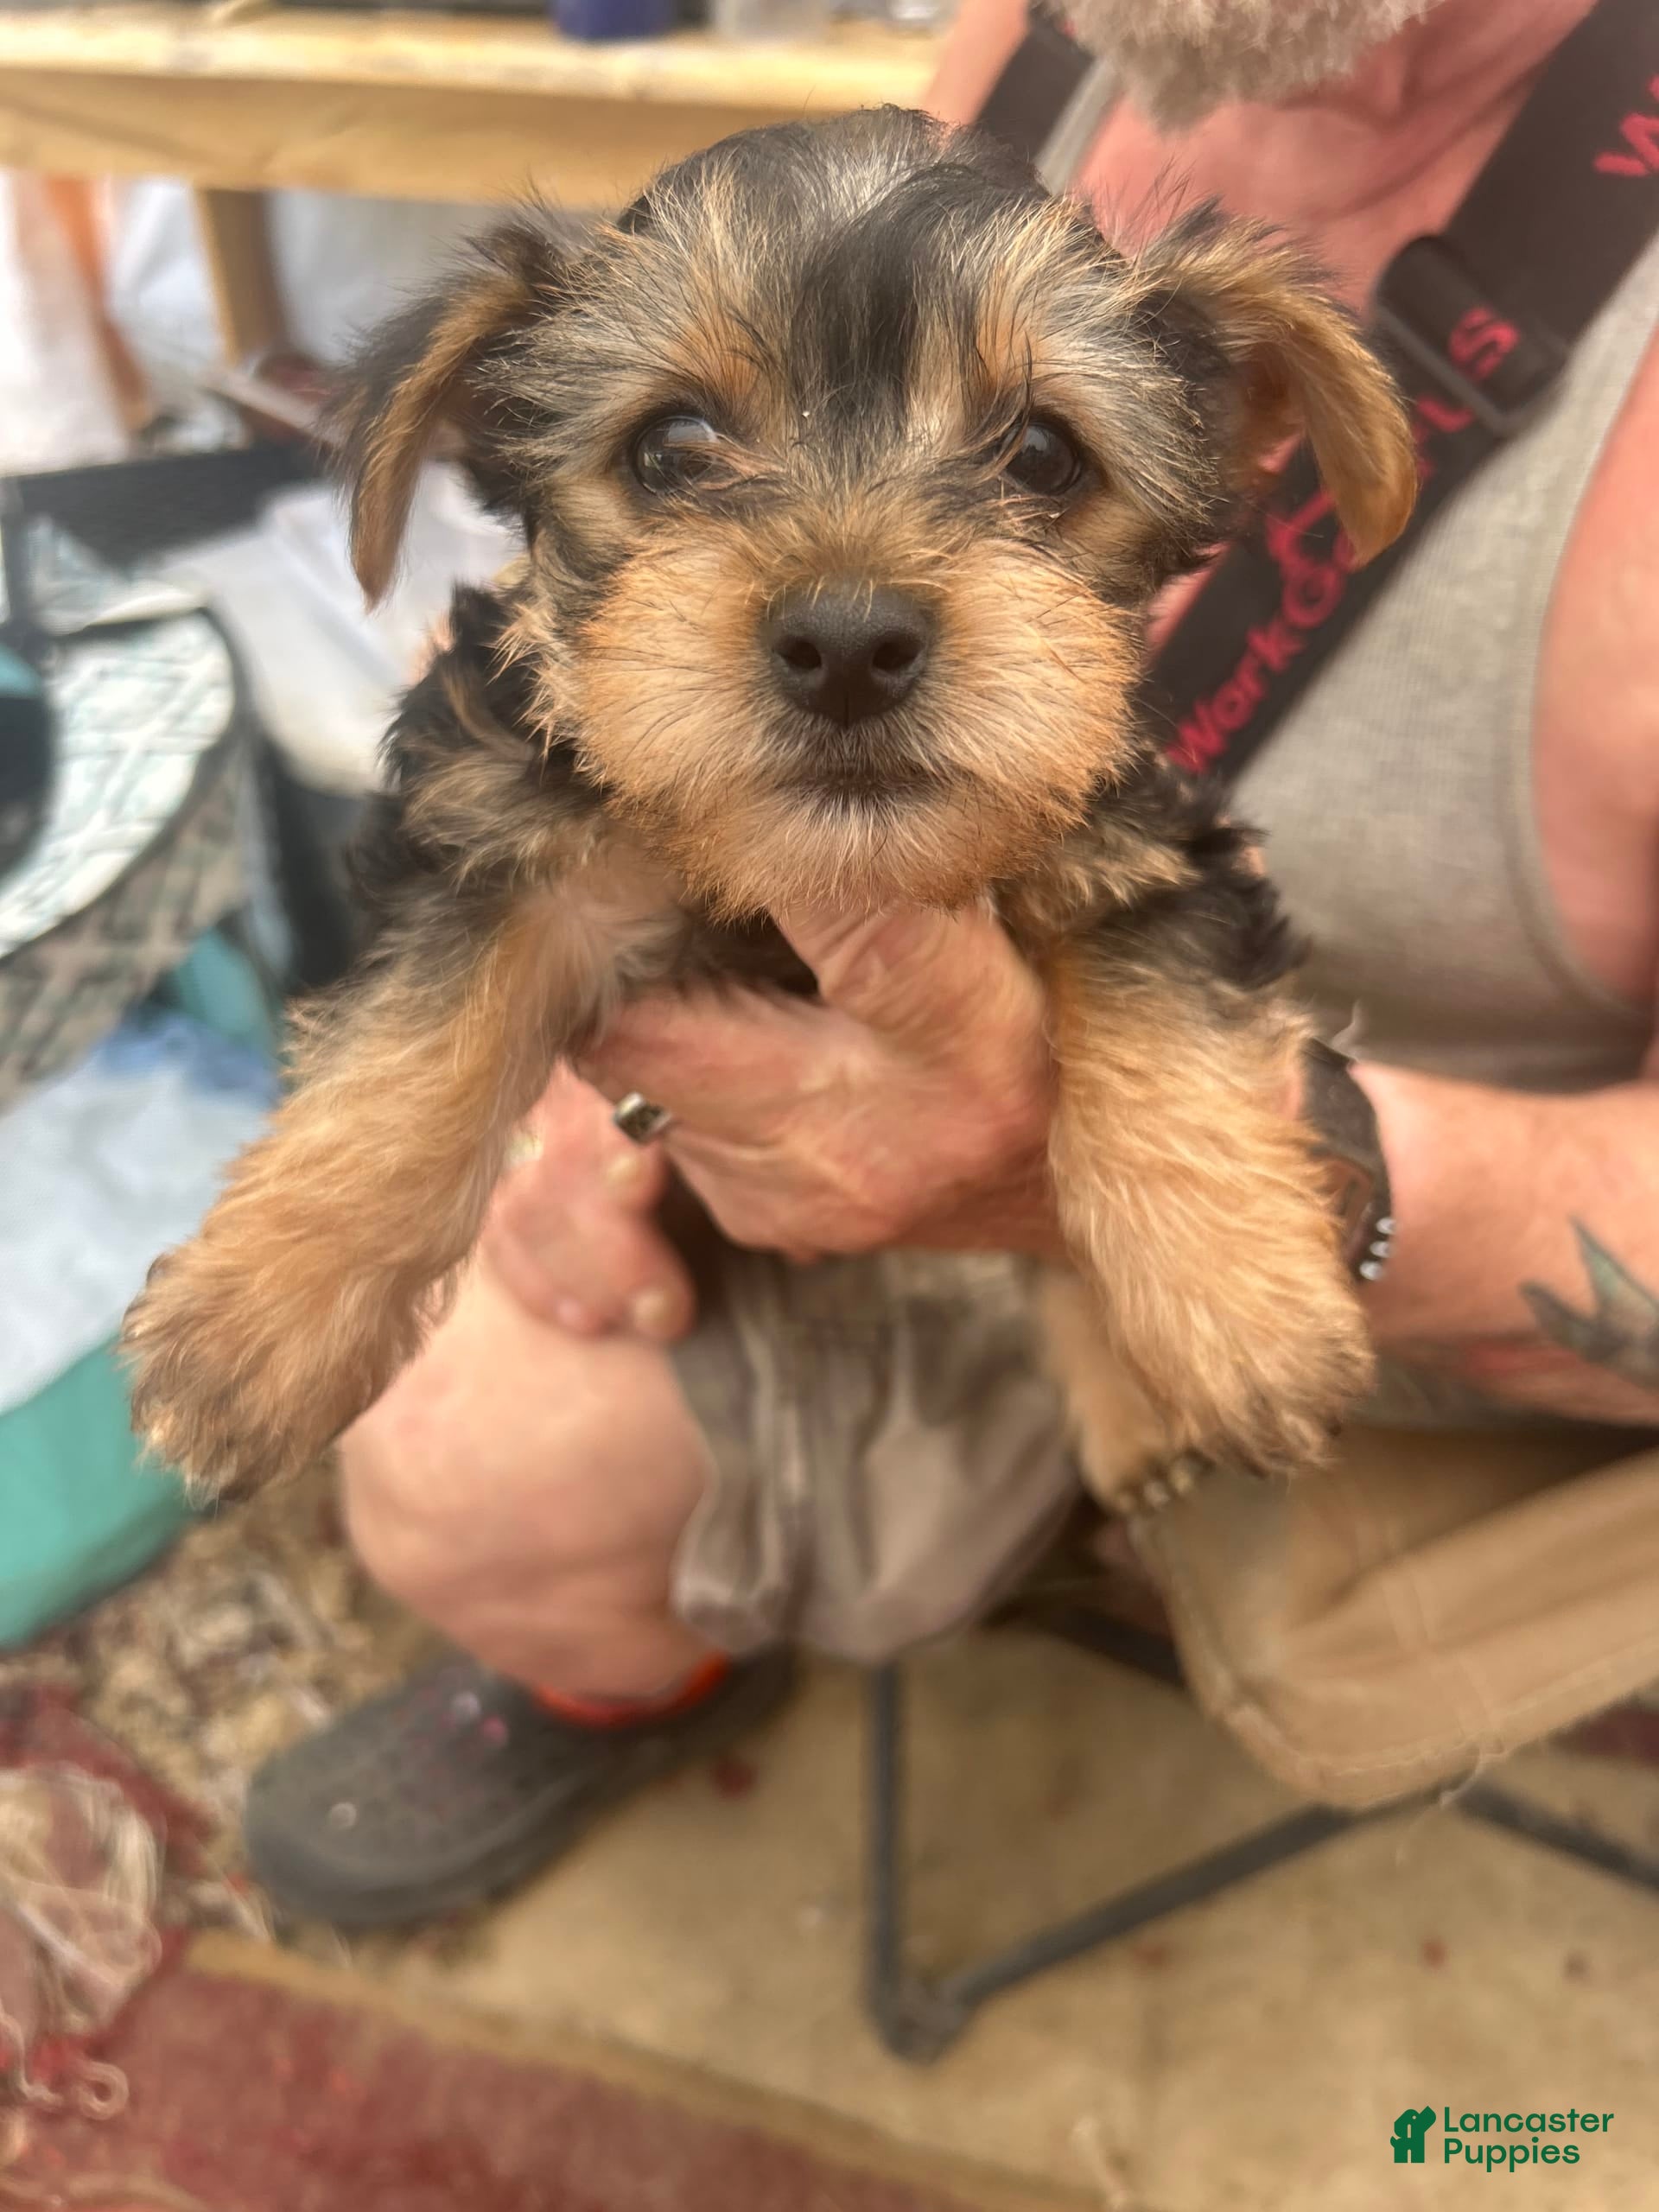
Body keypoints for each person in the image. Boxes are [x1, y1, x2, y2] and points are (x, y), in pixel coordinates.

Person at [245, 0, 1659, 1925]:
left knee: (470, 1465)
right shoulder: (1048, 38)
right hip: (871, 1010)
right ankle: (625, 1665)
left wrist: (1238, 1173)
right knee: (447, 1440)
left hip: (1431, 1295)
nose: (850, 592)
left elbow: (1145, 927)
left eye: (1034, 455)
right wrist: (551, 1045)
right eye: (685, 445)